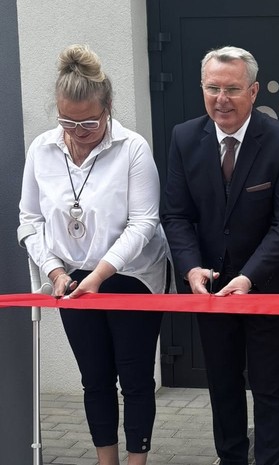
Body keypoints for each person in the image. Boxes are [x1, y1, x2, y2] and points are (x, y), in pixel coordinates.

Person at [18, 44, 170, 465]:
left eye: (89, 121)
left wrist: (100, 275)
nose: (78, 130)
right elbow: (28, 219)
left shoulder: (132, 148)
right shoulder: (42, 149)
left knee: (135, 378)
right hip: (70, 279)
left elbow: (144, 222)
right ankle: (107, 460)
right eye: (67, 121)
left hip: (132, 275)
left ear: (108, 108)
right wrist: (54, 271)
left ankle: (137, 461)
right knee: (94, 378)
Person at [161, 46, 279, 465]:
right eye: (212, 88)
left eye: (232, 89)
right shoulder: (184, 138)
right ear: (202, 88)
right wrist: (190, 268)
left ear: (254, 91)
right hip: (209, 288)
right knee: (223, 386)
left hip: (268, 286)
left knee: (270, 387)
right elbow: (175, 214)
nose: (221, 99)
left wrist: (248, 277)